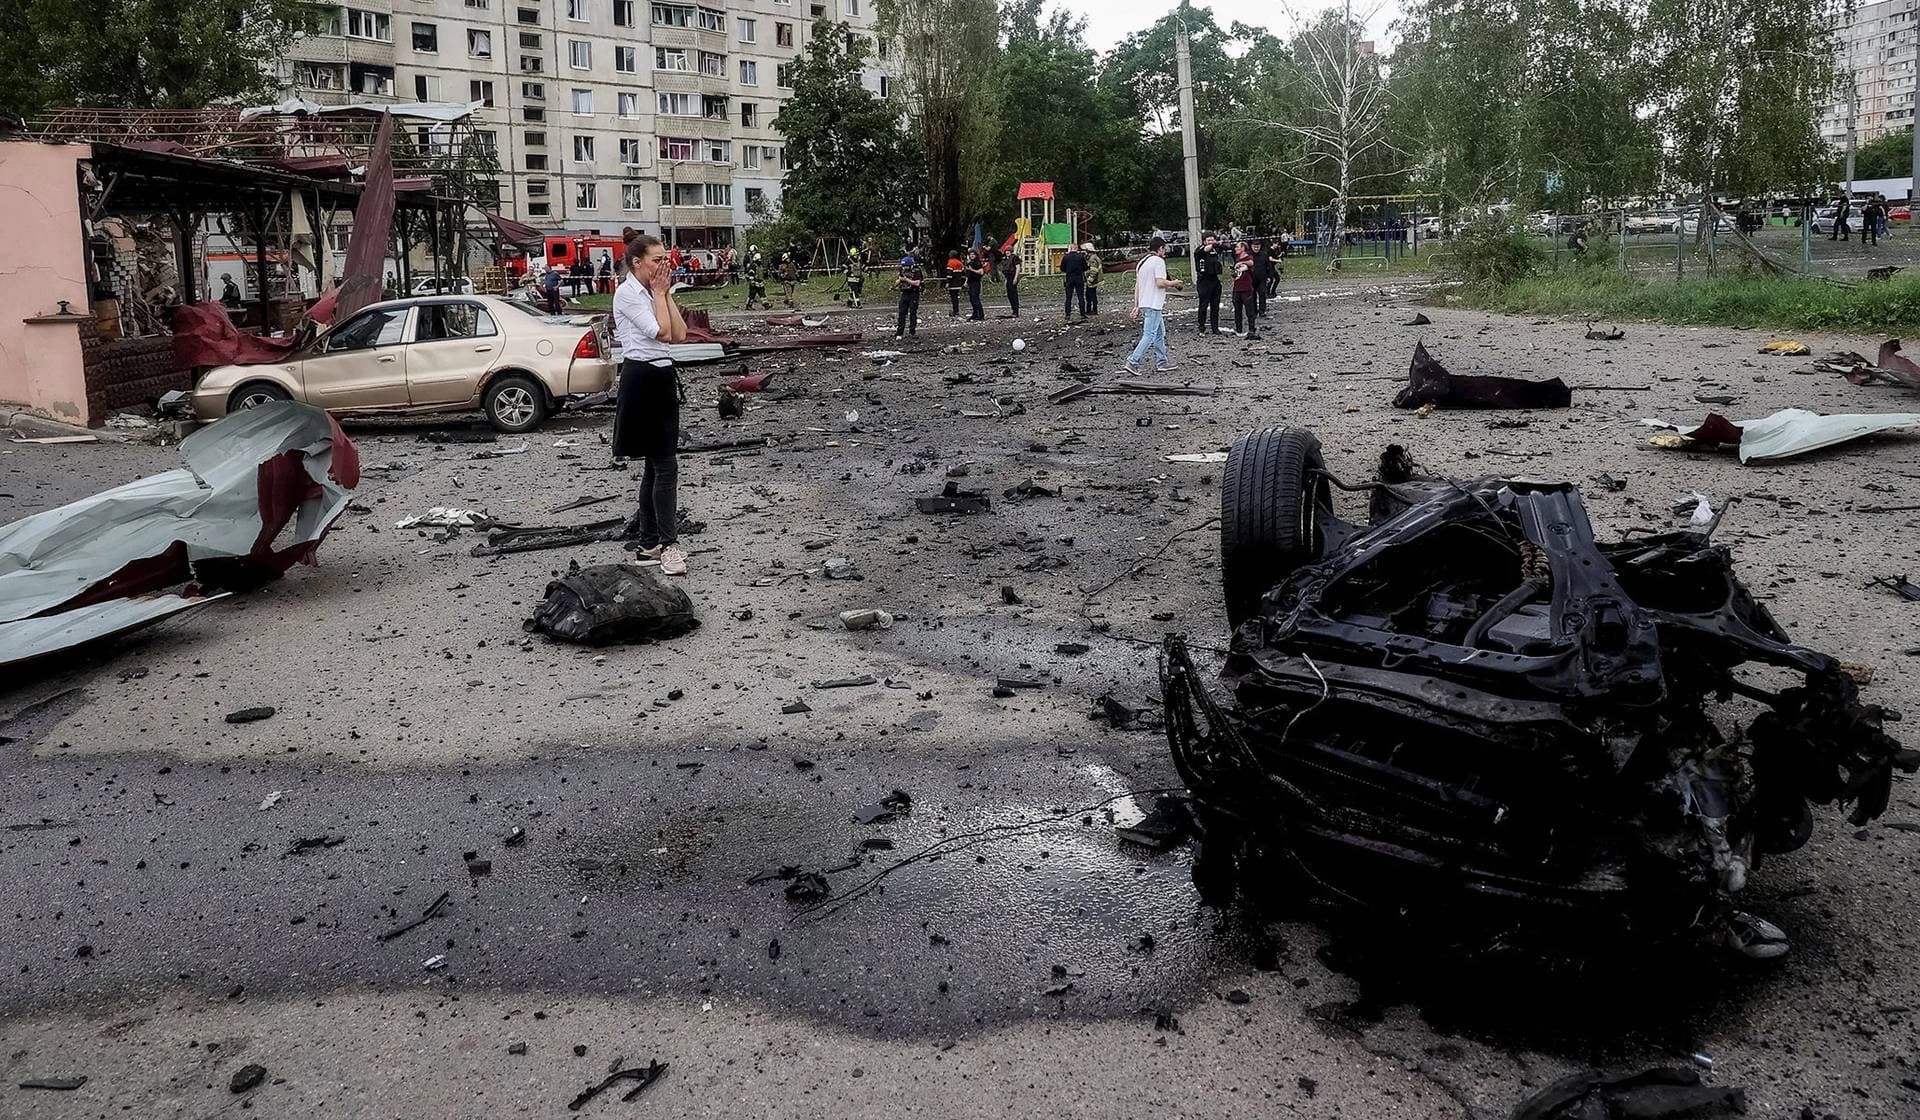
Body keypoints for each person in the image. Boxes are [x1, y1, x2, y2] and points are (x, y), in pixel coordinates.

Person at [612, 234, 691, 575]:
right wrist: (661, 293)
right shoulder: (628, 293)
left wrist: (664, 293)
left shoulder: (654, 292)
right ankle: (669, 543)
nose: (664, 265)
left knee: (654, 467)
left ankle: (648, 544)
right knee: (665, 464)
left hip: (661, 378)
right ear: (637, 263)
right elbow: (660, 332)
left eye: (665, 259)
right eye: (657, 260)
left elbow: (680, 334)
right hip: (641, 378)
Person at [1124, 236, 1182, 374]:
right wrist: (1175, 283)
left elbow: (1138, 285)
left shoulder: (1142, 262)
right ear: (1160, 248)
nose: (1165, 252)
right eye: (1164, 249)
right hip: (1154, 303)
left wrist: (1137, 305)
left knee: (1159, 333)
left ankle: (1162, 361)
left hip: (1145, 302)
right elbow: (1160, 282)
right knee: (1149, 335)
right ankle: (1133, 361)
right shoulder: (1158, 261)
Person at [1231, 242, 1260, 341]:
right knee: (1237, 310)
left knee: (1249, 310)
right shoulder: (1237, 258)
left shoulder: (1248, 257)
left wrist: (1241, 263)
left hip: (1246, 288)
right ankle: (1238, 329)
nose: (1236, 249)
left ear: (1243, 248)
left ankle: (1252, 329)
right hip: (1237, 288)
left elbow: (1251, 263)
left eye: (1238, 247)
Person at [1194, 233, 1223, 334]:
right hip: (1204, 281)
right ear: (1204, 241)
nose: (1211, 242)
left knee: (1215, 305)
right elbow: (1206, 249)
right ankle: (1201, 327)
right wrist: (1214, 244)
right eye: (1209, 240)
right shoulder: (1200, 250)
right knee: (1203, 305)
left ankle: (1215, 328)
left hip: (1214, 279)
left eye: (1213, 240)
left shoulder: (1214, 251)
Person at [894, 254, 923, 339]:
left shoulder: (916, 270)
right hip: (904, 293)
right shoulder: (902, 270)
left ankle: (912, 331)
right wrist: (899, 281)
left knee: (913, 312)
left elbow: (917, 283)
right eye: (903, 267)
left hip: (913, 293)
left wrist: (906, 280)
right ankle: (899, 331)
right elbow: (897, 281)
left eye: (906, 267)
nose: (905, 268)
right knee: (902, 313)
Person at [1060, 243, 1088, 321]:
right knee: (1081, 296)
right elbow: (1085, 268)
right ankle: (1082, 314)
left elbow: (1062, 268)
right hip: (1079, 278)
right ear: (1077, 248)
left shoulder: (1066, 257)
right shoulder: (1081, 257)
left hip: (1069, 278)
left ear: (1070, 248)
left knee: (1068, 297)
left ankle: (1067, 314)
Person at [1250, 240, 1274, 317]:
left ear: (1260, 246)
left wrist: (1270, 276)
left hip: (1262, 279)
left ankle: (1262, 311)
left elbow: (1269, 266)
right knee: (1252, 295)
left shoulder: (1264, 255)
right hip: (1251, 279)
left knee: (1262, 294)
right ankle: (1253, 311)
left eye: (1258, 246)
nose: (1256, 248)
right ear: (1252, 247)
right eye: (1254, 246)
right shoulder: (1248, 255)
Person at [964, 250, 986, 320]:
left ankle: (981, 314)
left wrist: (972, 269)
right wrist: (966, 282)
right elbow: (968, 274)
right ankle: (975, 313)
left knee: (975, 298)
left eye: (973, 254)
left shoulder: (977, 263)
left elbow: (981, 272)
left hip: (976, 282)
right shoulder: (970, 263)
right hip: (970, 282)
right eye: (970, 254)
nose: (972, 256)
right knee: (971, 299)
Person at [844, 245, 866, 310]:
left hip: (859, 279)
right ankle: (858, 304)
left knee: (853, 292)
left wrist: (866, 270)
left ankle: (849, 303)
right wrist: (849, 273)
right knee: (855, 292)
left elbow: (862, 266)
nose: (857, 255)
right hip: (851, 280)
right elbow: (843, 268)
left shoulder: (859, 260)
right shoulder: (849, 261)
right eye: (856, 254)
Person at [1082, 243, 1102, 314]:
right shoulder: (1093, 257)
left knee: (1091, 295)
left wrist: (1090, 279)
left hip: (1092, 280)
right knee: (1090, 294)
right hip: (1093, 279)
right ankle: (1090, 309)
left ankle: (1093, 310)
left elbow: (1093, 270)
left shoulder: (1092, 258)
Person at [945, 250, 965, 316]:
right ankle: (956, 310)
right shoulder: (960, 263)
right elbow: (963, 274)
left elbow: (949, 274)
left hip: (952, 283)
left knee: (953, 297)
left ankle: (955, 311)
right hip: (958, 283)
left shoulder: (950, 263)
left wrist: (947, 282)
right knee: (956, 297)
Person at [1002, 249, 1022, 317]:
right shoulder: (1006, 259)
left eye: (1008, 251)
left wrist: (1016, 278)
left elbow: (1018, 268)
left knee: (1013, 294)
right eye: (1006, 251)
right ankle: (1013, 310)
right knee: (1009, 295)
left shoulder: (1014, 258)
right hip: (1008, 277)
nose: (1007, 252)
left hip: (1013, 276)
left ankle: (1016, 311)